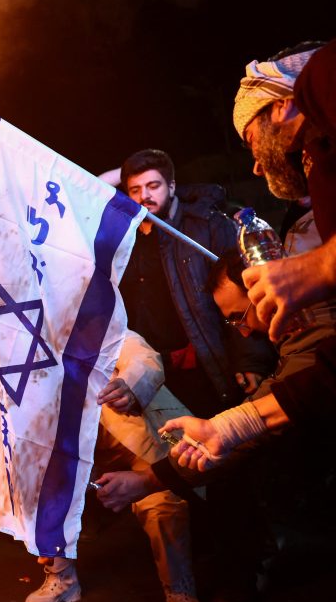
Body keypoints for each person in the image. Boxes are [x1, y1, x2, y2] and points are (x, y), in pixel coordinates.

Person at [168, 40, 336, 469]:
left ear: (281, 106)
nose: (257, 166)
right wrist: (231, 427)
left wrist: (321, 265)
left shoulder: (322, 75)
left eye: (251, 140)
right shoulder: (321, 170)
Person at [25, 332, 201, 602]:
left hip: (134, 435)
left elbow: (144, 357)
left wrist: (130, 387)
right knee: (48, 493)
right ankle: (62, 579)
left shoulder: (97, 321)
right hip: (77, 443)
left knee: (160, 504)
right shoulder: (26, 335)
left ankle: (178, 587)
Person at [118, 149, 275, 418]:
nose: (144, 196)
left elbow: (243, 293)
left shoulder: (206, 225)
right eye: (135, 189)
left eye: (153, 186)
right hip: (158, 371)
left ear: (171, 186)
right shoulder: (125, 239)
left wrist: (251, 360)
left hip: (207, 361)